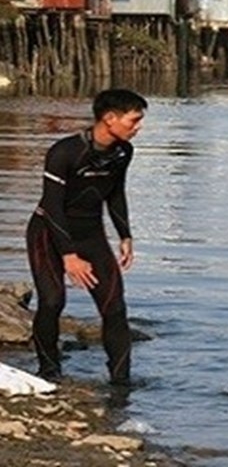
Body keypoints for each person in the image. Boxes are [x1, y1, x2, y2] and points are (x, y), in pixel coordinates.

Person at [26, 88, 147, 385]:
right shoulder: (64, 152)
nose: (139, 127)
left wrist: (125, 235)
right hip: (48, 232)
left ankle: (121, 385)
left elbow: (115, 193)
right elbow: (53, 206)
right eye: (134, 120)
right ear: (110, 118)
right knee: (52, 301)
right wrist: (69, 255)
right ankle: (49, 373)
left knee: (114, 307)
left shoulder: (123, 152)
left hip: (91, 234)